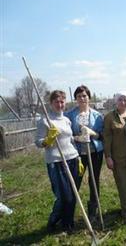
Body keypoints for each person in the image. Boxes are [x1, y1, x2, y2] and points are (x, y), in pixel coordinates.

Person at [36, 90, 80, 233]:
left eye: (62, 101)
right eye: (56, 102)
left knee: (73, 195)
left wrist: (78, 154)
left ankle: (68, 224)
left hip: (72, 158)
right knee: (64, 196)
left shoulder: (66, 120)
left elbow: (70, 139)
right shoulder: (45, 120)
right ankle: (54, 220)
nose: (60, 104)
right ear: (51, 104)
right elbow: (38, 142)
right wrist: (48, 140)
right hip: (56, 161)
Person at [65, 85, 104, 219]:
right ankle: (69, 212)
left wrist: (92, 133)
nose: (82, 98)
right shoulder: (69, 115)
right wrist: (77, 137)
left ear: (89, 97)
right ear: (75, 98)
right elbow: (66, 135)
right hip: (78, 154)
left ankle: (93, 209)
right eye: (79, 96)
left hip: (95, 153)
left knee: (94, 180)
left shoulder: (97, 116)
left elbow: (101, 135)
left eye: (84, 95)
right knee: (76, 181)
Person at [103, 91, 126, 219]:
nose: (123, 102)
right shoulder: (109, 117)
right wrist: (108, 156)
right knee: (124, 186)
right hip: (118, 158)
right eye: (120, 100)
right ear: (116, 101)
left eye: (125, 100)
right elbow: (107, 138)